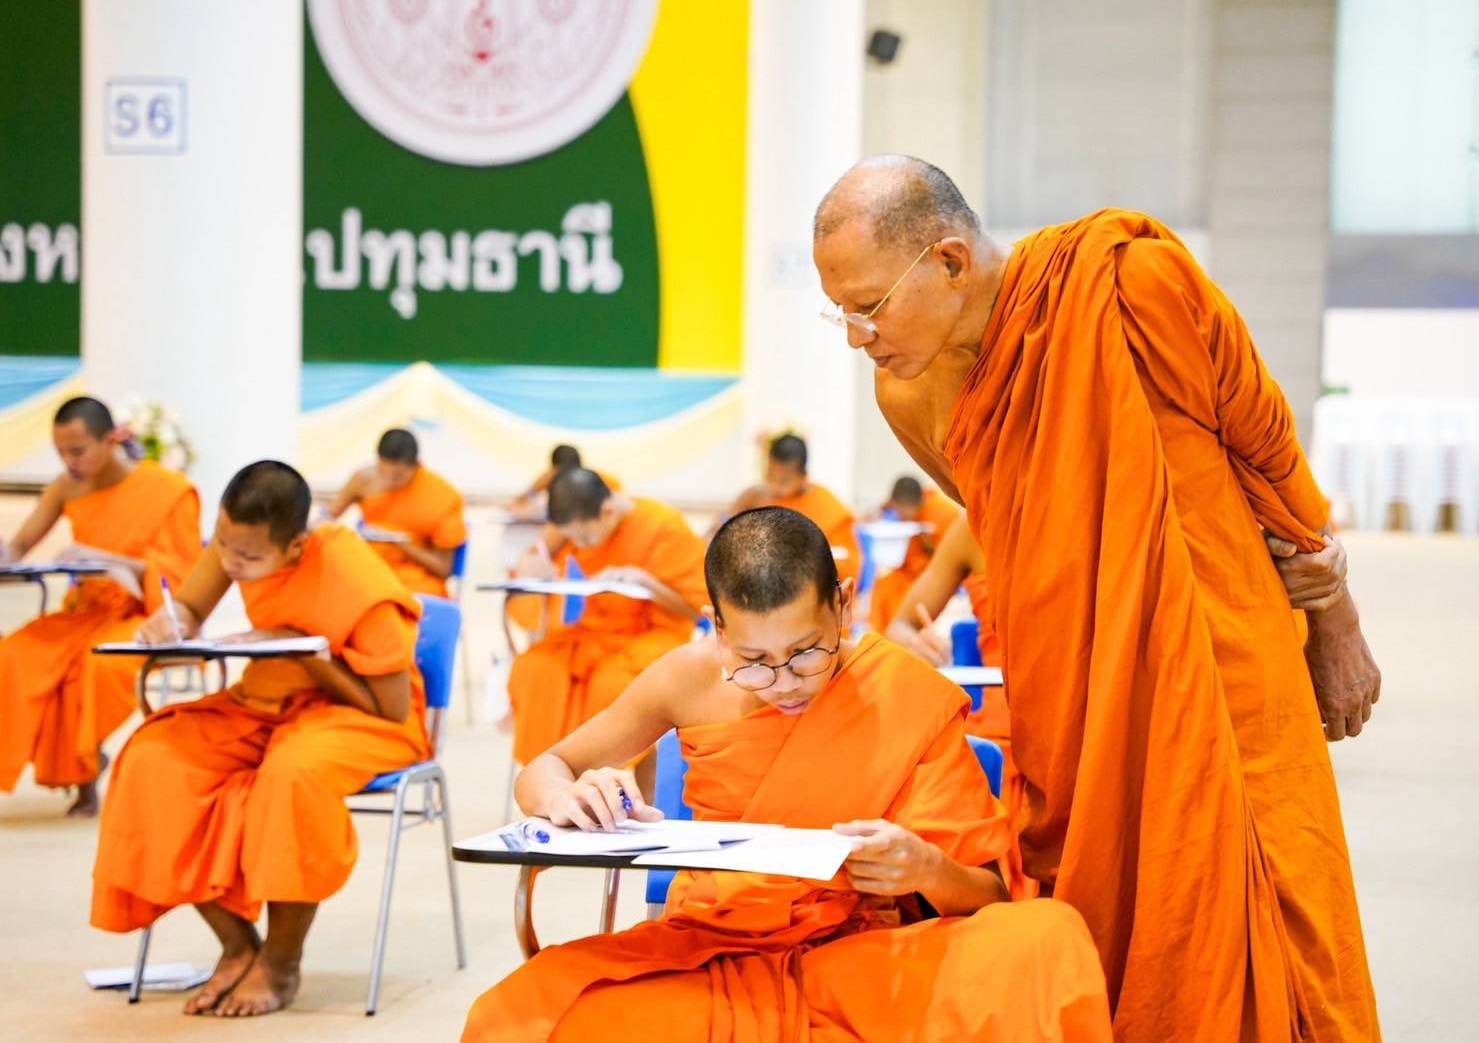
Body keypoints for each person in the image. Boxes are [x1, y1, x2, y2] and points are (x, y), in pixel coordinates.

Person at [813, 154, 1381, 1040]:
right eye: (838, 311)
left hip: (1222, 670)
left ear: (951, 262)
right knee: (1109, 929)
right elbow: (1012, 515)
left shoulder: (1129, 284)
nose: (856, 335)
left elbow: (1267, 452)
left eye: (868, 305)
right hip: (1075, 699)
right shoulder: (908, 391)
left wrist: (1335, 617)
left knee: (1285, 924)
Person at [463, 507, 1111, 1042]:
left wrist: (925, 871)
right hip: (713, 945)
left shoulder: (903, 691)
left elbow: (989, 897)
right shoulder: (686, 677)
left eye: (805, 653)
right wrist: (568, 792)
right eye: (753, 660)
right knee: (517, 1016)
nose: (783, 684)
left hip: (860, 953)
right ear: (717, 629)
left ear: (842, 603)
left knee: (1043, 939)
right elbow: (545, 767)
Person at [91, 460, 430, 1017]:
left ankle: (281, 961)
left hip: (359, 716)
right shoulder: (239, 544)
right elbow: (192, 605)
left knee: (290, 776)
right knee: (152, 756)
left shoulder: (354, 580)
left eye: (247, 558)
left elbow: (390, 710)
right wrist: (168, 621)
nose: (230, 563)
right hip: (263, 700)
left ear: (296, 547)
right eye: (223, 544)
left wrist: (305, 649)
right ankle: (237, 944)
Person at [0, 396, 200, 816]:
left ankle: (84, 775)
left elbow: (184, 579)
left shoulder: (167, 490)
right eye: (60, 452)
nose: (69, 462)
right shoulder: (66, 487)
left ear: (111, 441)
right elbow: (18, 547)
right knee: (16, 655)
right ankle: (81, 768)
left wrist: (114, 562)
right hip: (85, 611)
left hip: (147, 616)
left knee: (96, 666)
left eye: (77, 451)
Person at [506, 468, 706, 772]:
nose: (580, 545)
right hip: (593, 632)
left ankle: (607, 782)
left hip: (656, 635)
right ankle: (548, 777)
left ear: (609, 511)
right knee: (534, 668)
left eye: (584, 537)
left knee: (610, 683)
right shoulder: (576, 523)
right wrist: (534, 564)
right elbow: (541, 552)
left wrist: (647, 583)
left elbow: (696, 610)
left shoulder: (665, 527)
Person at [881, 512, 1032, 899]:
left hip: (1093, 726)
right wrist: (917, 643)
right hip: (1005, 726)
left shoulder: (1105, 509)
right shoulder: (976, 525)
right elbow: (899, 628)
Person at [324, 427, 465, 598]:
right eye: (383, 472)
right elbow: (328, 516)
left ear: (417, 465)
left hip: (416, 580)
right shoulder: (364, 479)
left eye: (398, 476)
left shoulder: (443, 497)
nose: (389, 481)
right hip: (368, 570)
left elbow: (443, 568)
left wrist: (403, 544)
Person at [710, 434, 862, 584]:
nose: (774, 485)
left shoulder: (828, 507)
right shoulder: (756, 495)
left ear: (803, 475)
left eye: (784, 481)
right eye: (770, 475)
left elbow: (848, 564)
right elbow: (722, 529)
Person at [865, 474, 959, 632]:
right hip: (909, 570)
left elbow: (956, 557)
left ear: (916, 504)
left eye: (902, 511)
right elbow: (884, 507)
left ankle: (898, 636)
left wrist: (928, 543)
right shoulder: (900, 505)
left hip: (934, 573)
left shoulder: (943, 513)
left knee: (900, 599)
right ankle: (881, 636)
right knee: (882, 588)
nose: (899, 516)